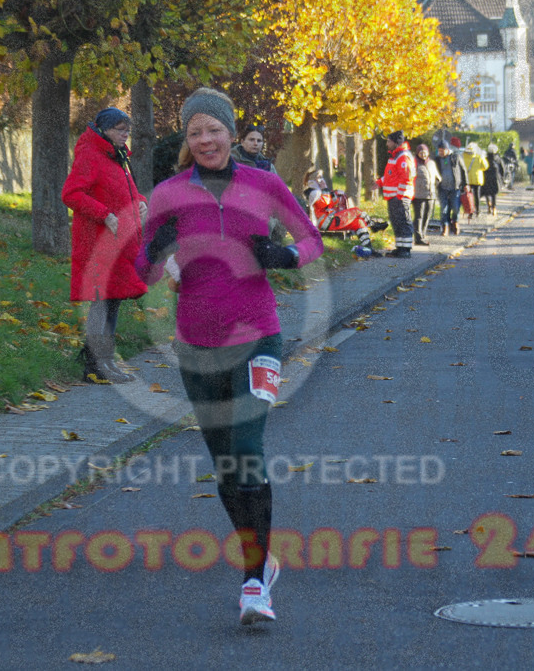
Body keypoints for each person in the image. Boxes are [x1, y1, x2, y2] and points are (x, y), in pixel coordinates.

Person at [136, 88, 324, 625]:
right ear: (187, 139)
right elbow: (139, 268)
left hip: (258, 335)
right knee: (224, 462)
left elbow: (311, 239)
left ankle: (252, 581)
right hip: (195, 342)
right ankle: (260, 562)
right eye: (195, 131)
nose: (205, 140)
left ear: (231, 133)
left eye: (213, 130)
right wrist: (157, 253)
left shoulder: (263, 183)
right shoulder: (170, 194)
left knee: (246, 446)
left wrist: (283, 254)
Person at [62, 107, 148, 384]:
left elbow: (128, 190)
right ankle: (94, 364)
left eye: (128, 131)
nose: (125, 135)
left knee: (113, 301)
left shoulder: (116, 156)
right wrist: (105, 214)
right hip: (97, 242)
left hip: (118, 243)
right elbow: (71, 193)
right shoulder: (91, 154)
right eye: (121, 130)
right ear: (104, 129)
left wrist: (141, 201)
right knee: (102, 302)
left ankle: (106, 362)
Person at [304, 165, 386, 256]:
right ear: (314, 180)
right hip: (326, 222)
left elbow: (330, 202)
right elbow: (325, 202)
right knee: (356, 211)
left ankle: (369, 248)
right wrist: (325, 189)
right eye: (319, 177)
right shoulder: (313, 192)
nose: (322, 179)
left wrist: (335, 194)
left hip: (331, 219)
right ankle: (373, 225)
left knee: (359, 222)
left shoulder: (318, 191)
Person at [376, 130, 415, 258]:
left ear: (395, 142)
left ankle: (406, 249)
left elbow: (406, 177)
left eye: (389, 141)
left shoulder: (402, 156)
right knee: (397, 222)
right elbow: (390, 177)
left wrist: (400, 195)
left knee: (403, 222)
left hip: (399, 196)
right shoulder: (395, 156)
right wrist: (379, 183)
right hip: (394, 196)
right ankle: (400, 248)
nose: (387, 144)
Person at [432, 140, 468, 236]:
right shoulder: (437, 159)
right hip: (442, 188)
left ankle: (455, 223)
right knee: (444, 209)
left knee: (456, 207)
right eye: (439, 151)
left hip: (455, 188)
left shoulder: (456, 157)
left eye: (442, 150)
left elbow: (463, 170)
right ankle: (445, 227)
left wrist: (466, 184)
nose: (441, 152)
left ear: (447, 150)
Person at [411, 144, 441, 245]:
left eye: (425, 152)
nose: (423, 155)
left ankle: (423, 234)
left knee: (427, 215)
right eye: (421, 152)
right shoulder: (414, 163)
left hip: (430, 194)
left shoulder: (431, 163)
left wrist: (437, 182)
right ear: (417, 153)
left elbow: (437, 176)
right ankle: (418, 237)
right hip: (418, 194)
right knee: (419, 216)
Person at [464, 142, 488, 222]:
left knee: (469, 196)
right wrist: (483, 157)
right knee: (477, 196)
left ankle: (470, 212)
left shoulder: (463, 156)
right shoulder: (478, 157)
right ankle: (478, 211)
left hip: (467, 179)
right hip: (477, 178)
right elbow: (485, 166)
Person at [481, 143, 504, 216]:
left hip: (486, 177)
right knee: (494, 194)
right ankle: (494, 208)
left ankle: (488, 205)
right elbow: (502, 169)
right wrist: (501, 178)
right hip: (495, 178)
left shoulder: (485, 158)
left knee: (486, 192)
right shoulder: (498, 159)